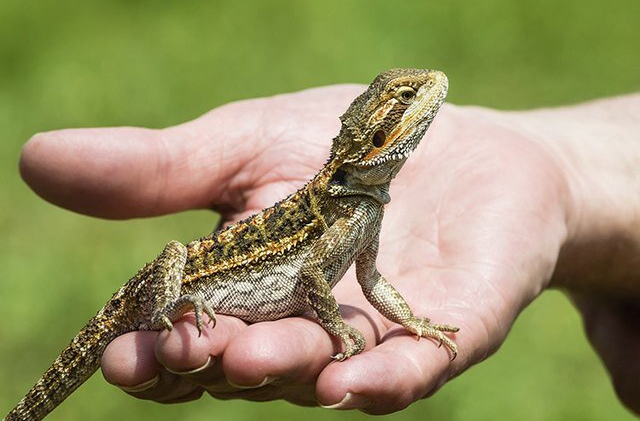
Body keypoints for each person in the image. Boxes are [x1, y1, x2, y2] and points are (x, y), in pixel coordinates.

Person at [19, 84, 640, 415]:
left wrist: (415, 321)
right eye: (401, 104)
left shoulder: (360, 209)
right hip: (195, 282)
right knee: (176, 268)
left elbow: (370, 282)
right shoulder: (334, 209)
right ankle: (160, 312)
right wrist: (338, 329)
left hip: (257, 277)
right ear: (376, 139)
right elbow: (316, 281)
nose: (422, 99)